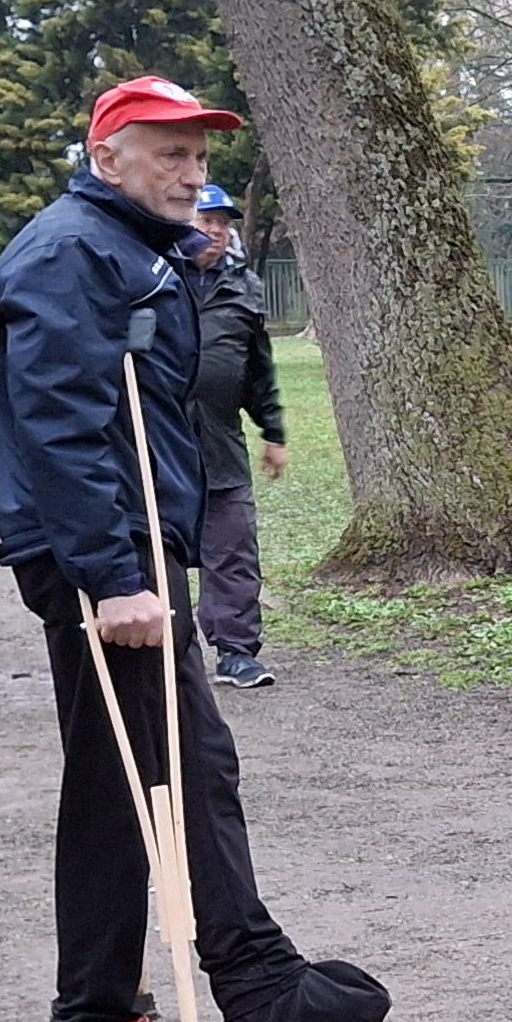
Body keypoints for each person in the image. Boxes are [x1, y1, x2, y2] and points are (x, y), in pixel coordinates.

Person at [0, 75, 389, 1022]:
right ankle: (261, 989)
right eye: (169, 153)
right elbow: (63, 426)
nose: (192, 173)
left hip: (121, 543)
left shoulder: (125, 248)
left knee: (121, 778)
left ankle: (94, 1012)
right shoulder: (74, 254)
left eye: (199, 156)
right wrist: (114, 575)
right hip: (106, 557)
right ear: (106, 157)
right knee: (187, 761)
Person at [183, 184, 288, 689]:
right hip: (159, 443)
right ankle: (164, 654)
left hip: (221, 443)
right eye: (205, 221)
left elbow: (257, 369)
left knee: (233, 547)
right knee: (155, 549)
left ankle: (236, 651)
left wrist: (274, 431)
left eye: (223, 224)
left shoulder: (244, 288)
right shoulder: (152, 280)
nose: (215, 231)